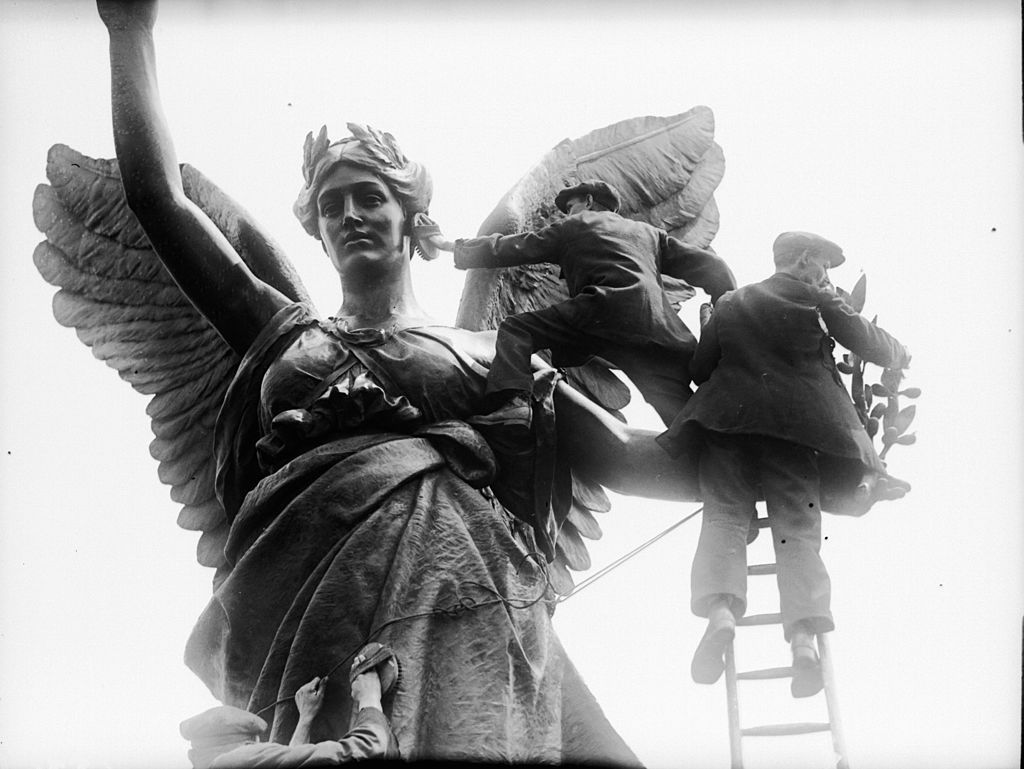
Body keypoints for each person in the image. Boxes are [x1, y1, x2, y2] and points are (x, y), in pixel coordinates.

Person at [96, 1, 698, 762]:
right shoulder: (286, 333)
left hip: (466, 608)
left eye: (370, 197)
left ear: (412, 216)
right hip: (311, 610)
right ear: (317, 229)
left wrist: (771, 415)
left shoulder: (491, 348)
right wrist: (130, 30)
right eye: (331, 205)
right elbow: (158, 200)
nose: (350, 214)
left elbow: (634, 458)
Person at [658, 231, 911, 697]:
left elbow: (699, 369)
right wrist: (901, 354)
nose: (826, 275)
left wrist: (712, 326)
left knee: (723, 517)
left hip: (726, 424)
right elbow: (868, 341)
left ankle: (721, 615)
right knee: (797, 529)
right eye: (824, 265)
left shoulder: (731, 301)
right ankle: (803, 643)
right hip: (794, 432)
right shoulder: (817, 299)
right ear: (805, 259)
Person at [420, 179, 737, 426]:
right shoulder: (649, 234)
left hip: (601, 311)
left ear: (587, 201)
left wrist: (448, 245)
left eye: (570, 206)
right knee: (683, 417)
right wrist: (723, 306)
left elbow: (511, 247)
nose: (567, 214)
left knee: (518, 330)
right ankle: (723, 457)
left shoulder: (576, 225)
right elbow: (713, 267)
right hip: (658, 330)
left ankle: (512, 408)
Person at [203, 646, 399, 767]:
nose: (261, 748)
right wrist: (370, 697)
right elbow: (366, 750)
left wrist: (305, 719)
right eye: (255, 746)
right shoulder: (232, 762)